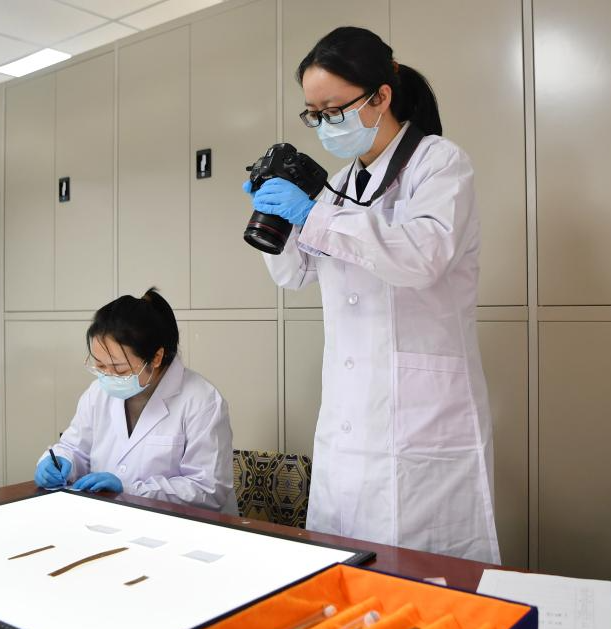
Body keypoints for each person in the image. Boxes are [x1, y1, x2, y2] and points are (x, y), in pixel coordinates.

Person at [244, 26, 499, 562]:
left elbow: (422, 256)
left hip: (423, 421)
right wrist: (275, 220)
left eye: (333, 110)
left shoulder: (439, 163)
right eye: (313, 114)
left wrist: (312, 214)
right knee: (346, 569)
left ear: (381, 96)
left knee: (426, 579)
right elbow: (296, 274)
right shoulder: (338, 184)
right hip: (348, 418)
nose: (323, 125)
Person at [34, 288, 237, 514]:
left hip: (181, 526)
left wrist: (131, 491)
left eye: (120, 369)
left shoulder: (202, 401)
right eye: (100, 365)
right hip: (109, 517)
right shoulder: (97, 393)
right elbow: (74, 447)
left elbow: (208, 489)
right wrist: (60, 461)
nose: (108, 375)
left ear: (156, 357)